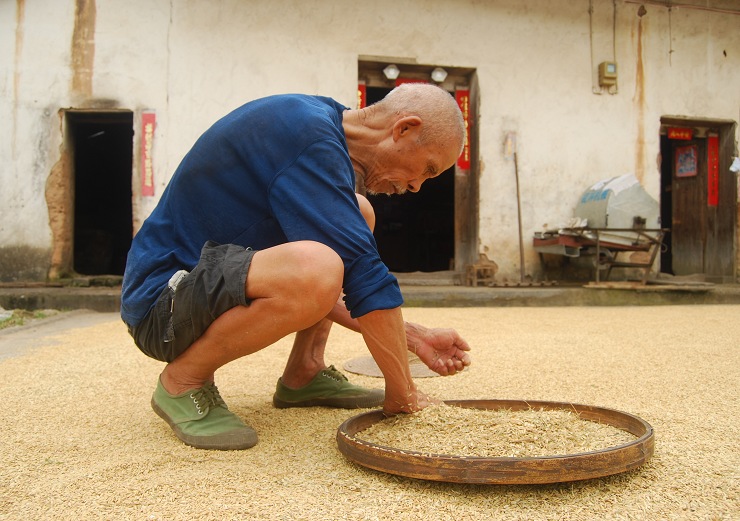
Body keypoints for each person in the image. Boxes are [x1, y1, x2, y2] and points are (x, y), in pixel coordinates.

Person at [121, 83, 472, 450]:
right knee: (321, 262)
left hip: (207, 283)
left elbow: (337, 283)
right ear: (404, 129)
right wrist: (404, 394)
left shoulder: (321, 125)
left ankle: (305, 370)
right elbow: (359, 276)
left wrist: (411, 336)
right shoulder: (307, 135)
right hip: (162, 303)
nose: (417, 186)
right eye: (428, 170)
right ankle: (183, 381)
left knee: (355, 215)